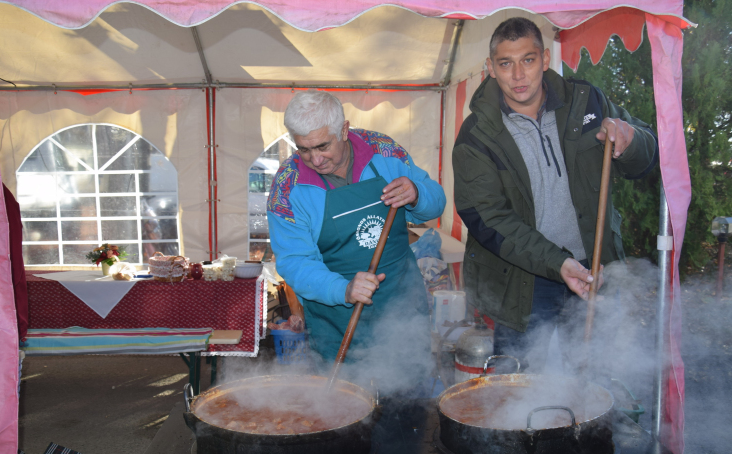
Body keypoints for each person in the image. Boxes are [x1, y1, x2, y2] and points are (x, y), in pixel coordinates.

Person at [452, 17, 658, 372]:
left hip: (597, 270)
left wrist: (630, 138)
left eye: (528, 60)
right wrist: (557, 263)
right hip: (521, 282)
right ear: (490, 69)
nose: (518, 75)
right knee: (516, 394)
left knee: (593, 387)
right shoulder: (476, 136)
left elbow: (644, 156)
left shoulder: (586, 101)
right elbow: (488, 220)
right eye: (506, 63)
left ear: (545, 60)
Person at [267, 91, 446, 391]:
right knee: (346, 415)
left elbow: (436, 202)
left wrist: (417, 193)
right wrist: (343, 289)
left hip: (401, 308)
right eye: (304, 149)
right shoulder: (287, 187)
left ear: (344, 130)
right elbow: (294, 261)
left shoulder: (385, 152)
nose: (315, 159)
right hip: (336, 320)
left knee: (407, 412)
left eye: (323, 146)